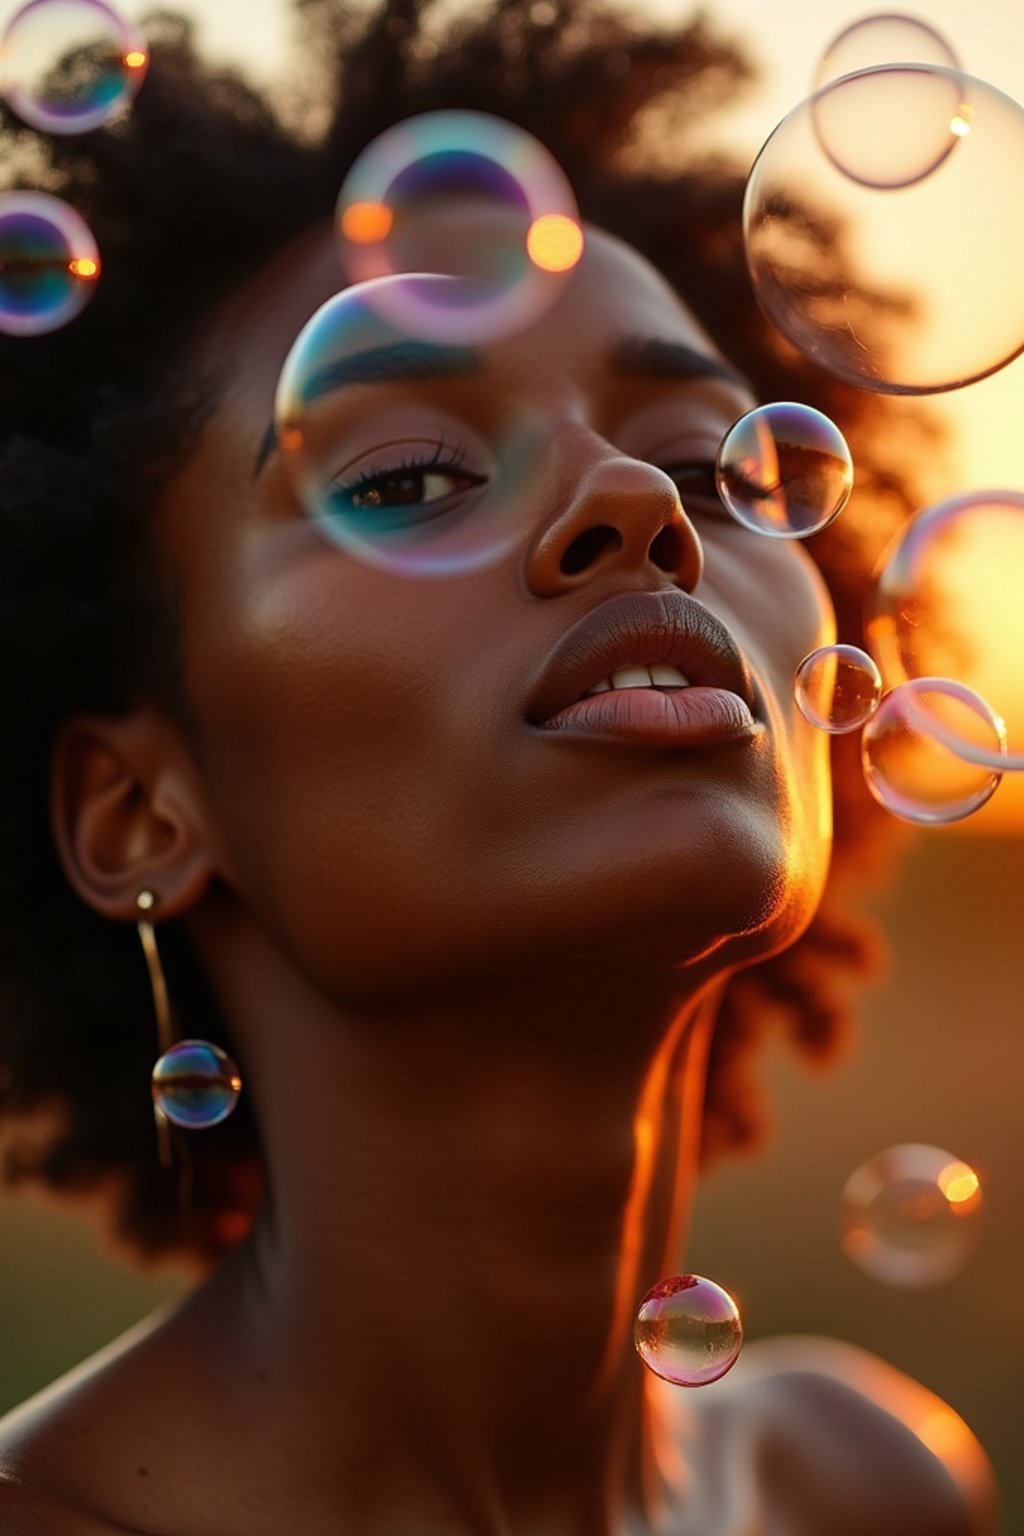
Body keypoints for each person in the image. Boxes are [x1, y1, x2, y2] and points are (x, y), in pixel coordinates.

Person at [0, 1, 1000, 1531]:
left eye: (702, 462)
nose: (632, 504)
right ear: (140, 807)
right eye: (409, 477)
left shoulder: (862, 1486)